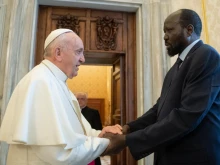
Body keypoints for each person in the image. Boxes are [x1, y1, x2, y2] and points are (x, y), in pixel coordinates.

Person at [102, 9, 220, 165]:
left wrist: (127, 140)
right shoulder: (177, 67)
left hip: (193, 157)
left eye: (170, 30)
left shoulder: (206, 55)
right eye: (164, 31)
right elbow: (159, 109)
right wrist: (128, 128)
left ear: (189, 30)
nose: (165, 36)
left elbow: (188, 116)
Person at [0, 28, 122, 165]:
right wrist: (106, 144)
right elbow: (60, 153)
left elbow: (79, 131)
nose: (83, 59)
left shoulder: (58, 83)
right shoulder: (41, 82)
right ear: (58, 53)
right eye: (78, 52)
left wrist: (100, 134)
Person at [75, 92, 103, 165]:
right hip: (76, 145)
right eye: (77, 99)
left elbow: (98, 128)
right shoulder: (71, 112)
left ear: (86, 100)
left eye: (82, 99)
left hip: (91, 143)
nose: (79, 101)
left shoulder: (94, 112)